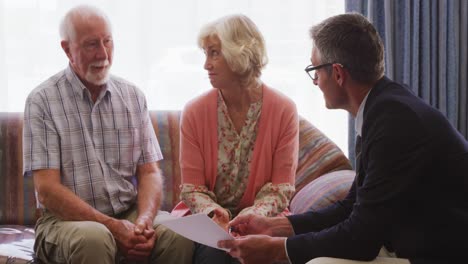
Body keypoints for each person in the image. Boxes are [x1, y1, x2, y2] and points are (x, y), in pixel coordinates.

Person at [218, 13, 468, 264]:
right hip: (413, 242)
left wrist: (276, 249)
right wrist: (275, 226)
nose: (315, 82)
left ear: (337, 73)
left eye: (315, 70)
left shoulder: (395, 122)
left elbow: (360, 239)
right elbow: (350, 207)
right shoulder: (385, 107)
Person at [22, 5, 193, 264]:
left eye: (107, 41)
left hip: (129, 211)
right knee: (95, 238)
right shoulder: (42, 101)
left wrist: (144, 221)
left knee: (179, 232)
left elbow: (149, 172)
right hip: (64, 221)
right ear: (67, 49)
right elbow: (46, 190)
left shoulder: (133, 96)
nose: (103, 54)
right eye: (91, 44)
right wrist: (113, 227)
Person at [173, 14, 299, 264]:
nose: (206, 65)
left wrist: (254, 216)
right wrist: (214, 213)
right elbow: (192, 188)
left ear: (239, 53)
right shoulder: (194, 111)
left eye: (214, 53)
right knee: (214, 255)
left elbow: (280, 188)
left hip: (264, 217)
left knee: (262, 253)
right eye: (206, 54)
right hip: (208, 221)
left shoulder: (284, 109)